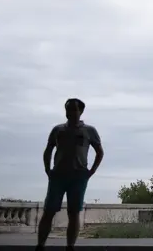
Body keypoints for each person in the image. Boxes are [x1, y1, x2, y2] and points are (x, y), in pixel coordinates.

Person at [36, 98, 104, 251]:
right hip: (58, 175)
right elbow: (48, 150)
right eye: (68, 109)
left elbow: (99, 152)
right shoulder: (58, 130)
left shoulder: (89, 131)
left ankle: (70, 246)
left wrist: (91, 171)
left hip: (78, 176)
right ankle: (40, 246)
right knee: (49, 211)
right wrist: (48, 169)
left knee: (74, 212)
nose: (71, 112)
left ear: (81, 111)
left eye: (74, 109)